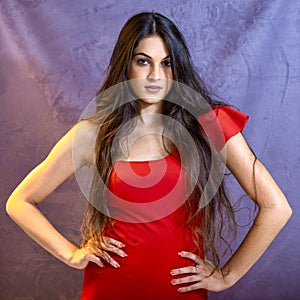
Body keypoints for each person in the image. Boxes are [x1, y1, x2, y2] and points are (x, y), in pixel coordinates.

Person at [6, 12, 292, 300]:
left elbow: (276, 208)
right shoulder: (94, 133)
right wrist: (71, 254)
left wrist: (227, 276)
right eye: (143, 61)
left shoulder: (210, 125)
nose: (155, 76)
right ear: (126, 64)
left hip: (180, 291)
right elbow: (20, 202)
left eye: (166, 63)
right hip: (110, 287)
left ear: (178, 68)